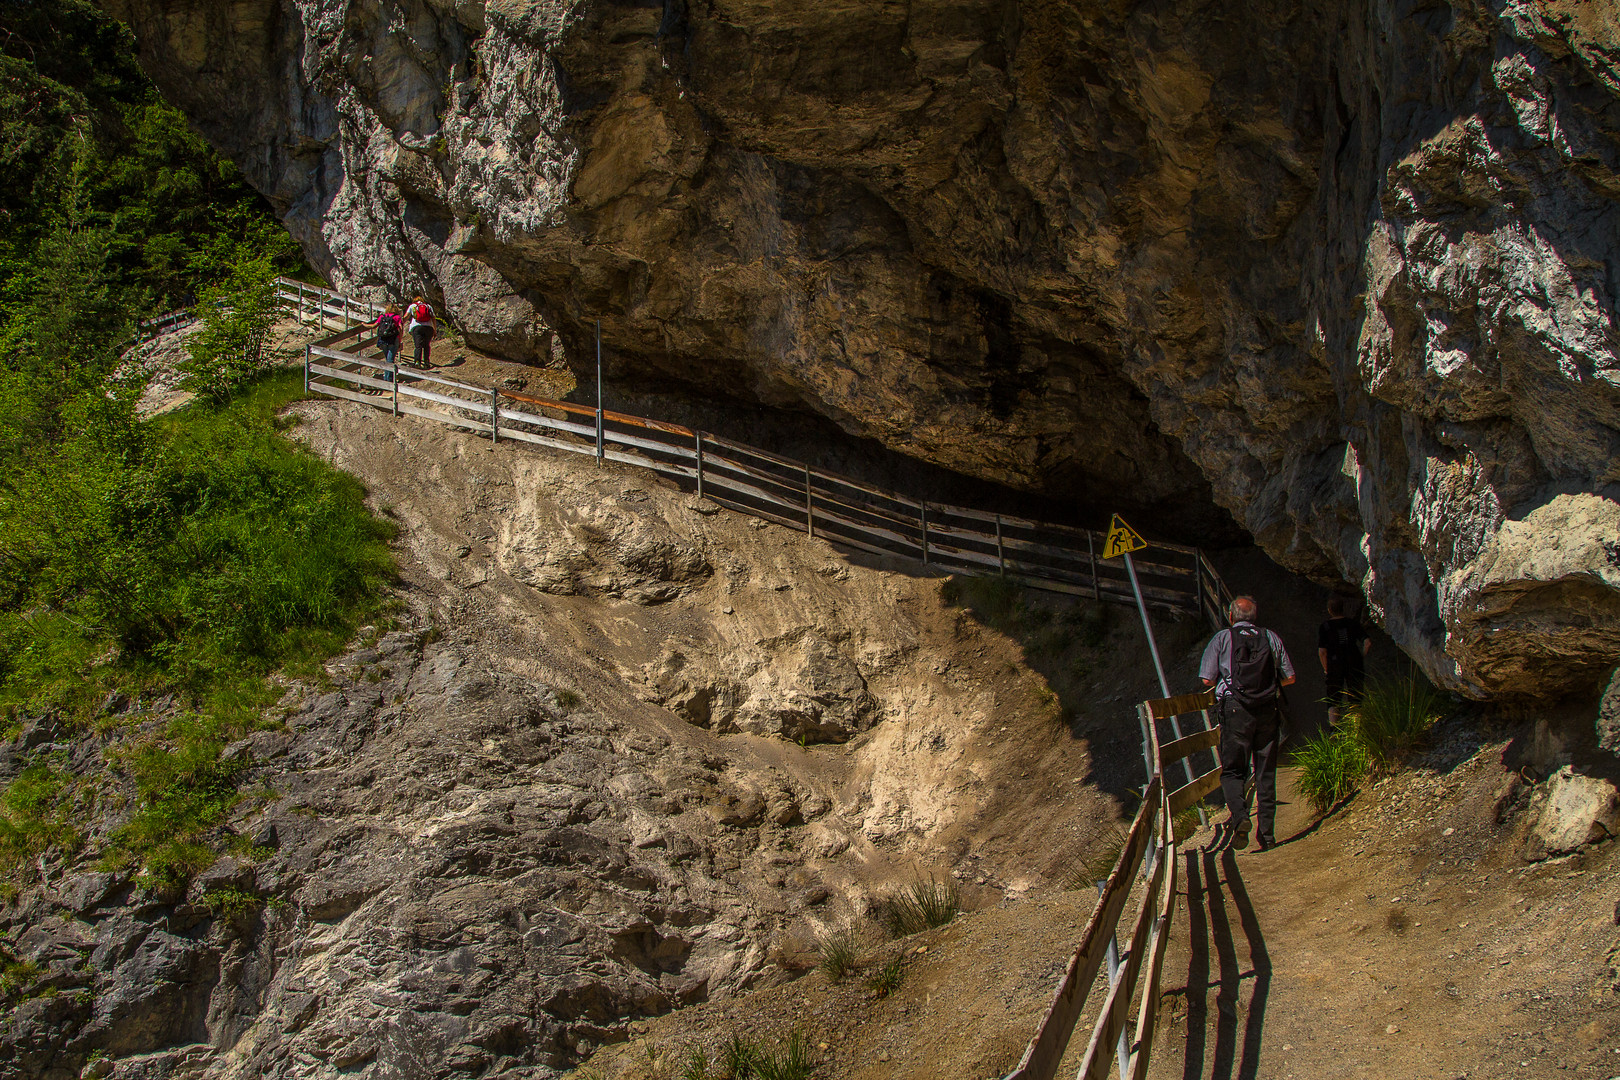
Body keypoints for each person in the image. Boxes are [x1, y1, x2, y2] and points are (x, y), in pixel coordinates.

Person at [1200, 595, 1296, 851]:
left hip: (1235, 711)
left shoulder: (1222, 638)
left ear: (1231, 617)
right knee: (1266, 771)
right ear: (1255, 616)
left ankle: (1241, 818)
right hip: (1267, 710)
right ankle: (1267, 836)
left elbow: (1207, 680)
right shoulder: (1271, 637)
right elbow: (1290, 677)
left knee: (1233, 771)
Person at [1319, 595, 1371, 726]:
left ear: (1329, 609)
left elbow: (1322, 652)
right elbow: (1367, 642)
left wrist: (1326, 668)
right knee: (1355, 697)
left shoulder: (1325, 626)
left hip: (1334, 664)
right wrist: (1361, 657)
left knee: (1333, 698)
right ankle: (1356, 730)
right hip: (1354, 662)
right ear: (1343, 608)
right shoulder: (1352, 623)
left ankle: (1334, 731)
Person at [406, 294, 436, 368]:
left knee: (418, 345)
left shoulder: (412, 306)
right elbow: (433, 318)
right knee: (426, 345)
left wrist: (400, 323)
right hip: (429, 327)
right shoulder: (428, 306)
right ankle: (426, 362)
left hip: (417, 327)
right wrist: (434, 329)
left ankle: (417, 362)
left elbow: (406, 317)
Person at [375, 304, 403, 381]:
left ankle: (387, 377)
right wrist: (400, 339)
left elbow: (374, 325)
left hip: (383, 339)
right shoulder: (397, 317)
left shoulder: (382, 317)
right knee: (390, 360)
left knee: (388, 359)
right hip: (393, 339)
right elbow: (400, 327)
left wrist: (364, 325)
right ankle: (388, 379)